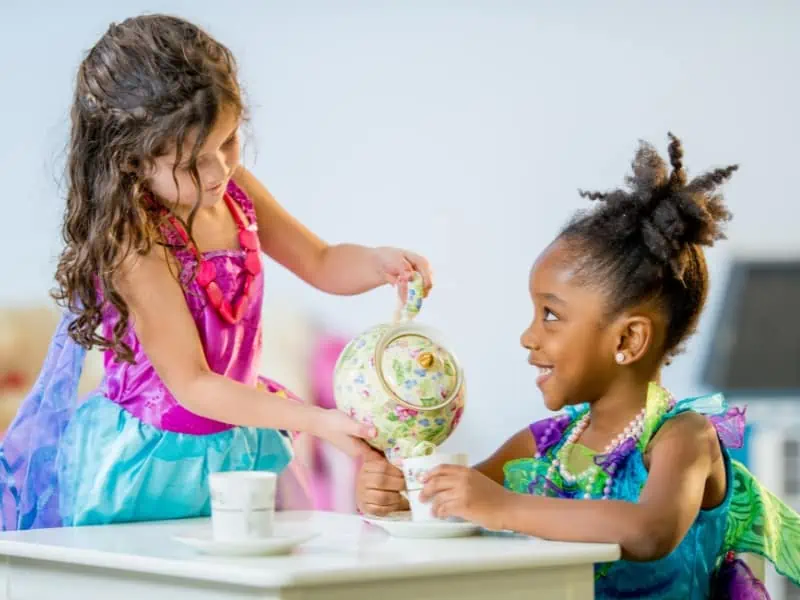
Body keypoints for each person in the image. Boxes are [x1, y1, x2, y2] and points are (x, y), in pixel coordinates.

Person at [0, 14, 433, 532]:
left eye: (228, 142)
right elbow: (193, 384)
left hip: (237, 439)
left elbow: (320, 261)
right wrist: (317, 421)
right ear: (132, 161)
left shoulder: (234, 191)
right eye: (191, 164)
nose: (218, 171)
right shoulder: (134, 240)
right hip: (150, 463)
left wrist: (377, 261)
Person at [356, 134, 800, 598]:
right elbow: (449, 508)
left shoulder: (683, 438)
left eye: (550, 315)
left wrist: (502, 507)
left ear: (628, 339)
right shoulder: (540, 444)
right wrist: (394, 496)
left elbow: (649, 531)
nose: (528, 336)